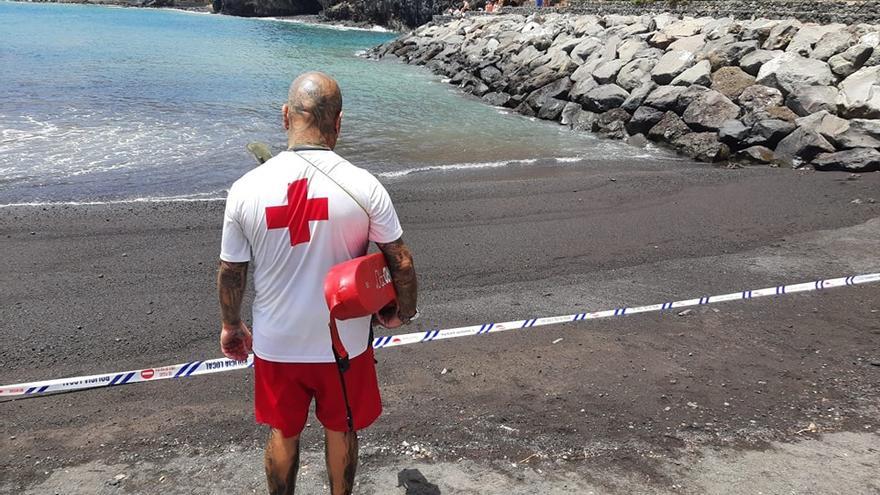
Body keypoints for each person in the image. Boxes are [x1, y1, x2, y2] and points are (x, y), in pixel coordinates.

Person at [217, 71, 418, 495]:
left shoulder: (246, 189)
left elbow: (232, 271)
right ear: (339, 123)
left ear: (285, 116)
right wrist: (401, 312)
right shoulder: (365, 186)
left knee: (283, 432)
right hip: (343, 343)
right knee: (341, 430)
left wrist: (232, 326)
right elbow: (400, 262)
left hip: (276, 341)